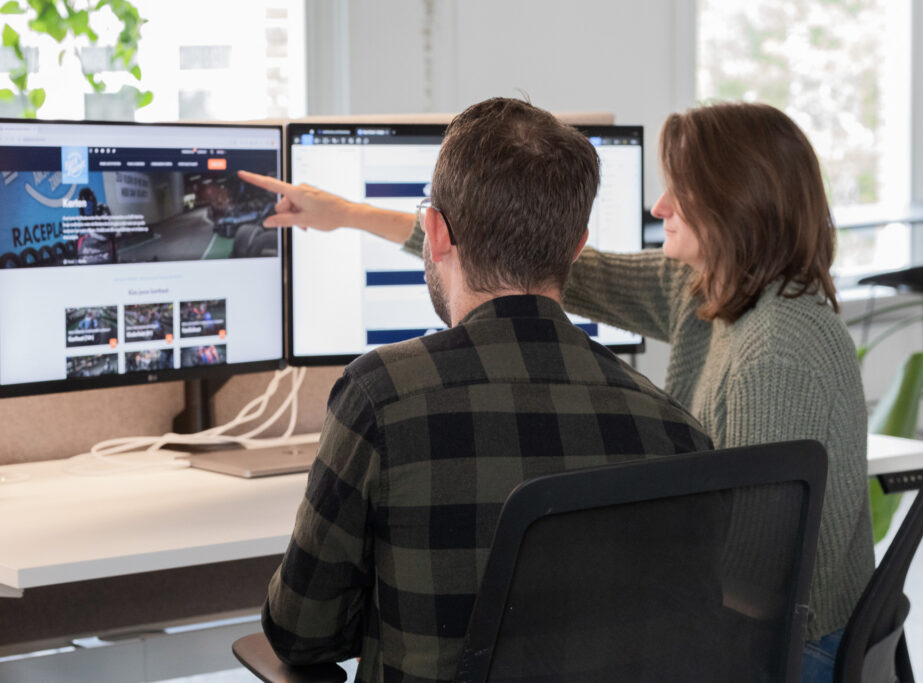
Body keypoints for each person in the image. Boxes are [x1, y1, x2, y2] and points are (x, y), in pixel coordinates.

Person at [251, 98, 713, 682]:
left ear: (436, 232)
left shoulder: (382, 396)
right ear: (576, 246)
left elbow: (300, 632)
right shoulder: (674, 430)